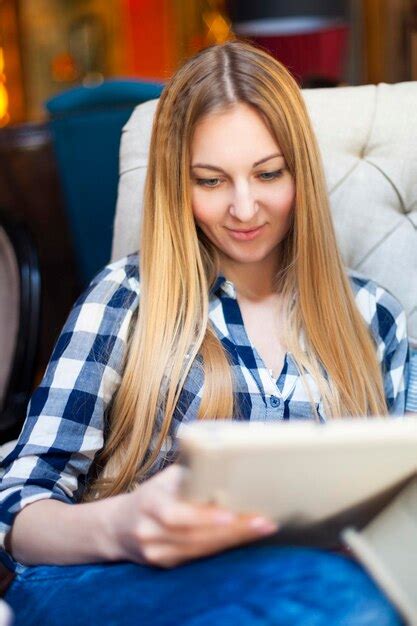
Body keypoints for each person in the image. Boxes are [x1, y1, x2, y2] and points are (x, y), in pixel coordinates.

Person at [0, 41, 408, 625]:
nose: (245, 209)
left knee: (341, 594)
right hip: (122, 584)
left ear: (303, 172)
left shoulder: (374, 315)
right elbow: (16, 505)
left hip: (314, 587)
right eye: (211, 181)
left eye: (268, 174)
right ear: (178, 185)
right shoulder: (127, 297)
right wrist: (123, 526)